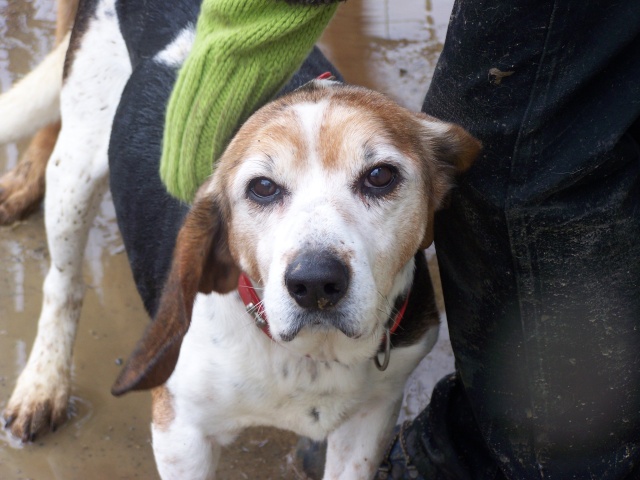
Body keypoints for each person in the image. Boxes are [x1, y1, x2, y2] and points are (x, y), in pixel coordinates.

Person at [162, 1, 640, 478]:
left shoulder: (413, 318)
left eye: (378, 178)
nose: (315, 270)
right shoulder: (209, 340)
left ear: (438, 192)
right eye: (265, 189)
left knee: (514, 140)